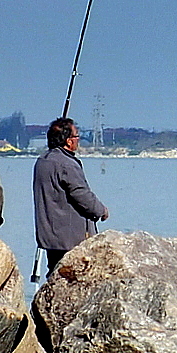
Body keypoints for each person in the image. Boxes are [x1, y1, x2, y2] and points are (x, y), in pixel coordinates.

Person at [33, 116, 109, 274]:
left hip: (50, 236)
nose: (78, 140)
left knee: (55, 274)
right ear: (68, 141)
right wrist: (100, 210)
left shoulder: (43, 161)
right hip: (70, 237)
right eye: (76, 136)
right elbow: (80, 194)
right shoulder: (66, 164)